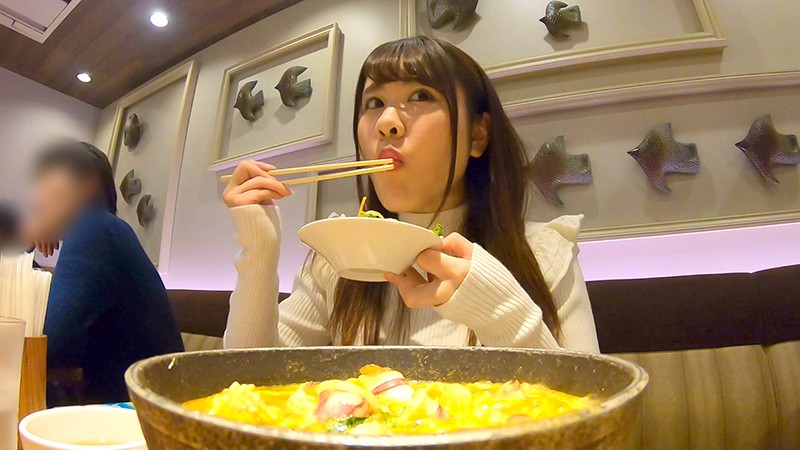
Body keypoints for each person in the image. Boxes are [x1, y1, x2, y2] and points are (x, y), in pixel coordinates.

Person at [222, 37, 599, 352]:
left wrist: (500, 310)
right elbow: (251, 383)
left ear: (477, 135)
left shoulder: (545, 254)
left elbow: (591, 408)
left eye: (421, 95)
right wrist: (258, 248)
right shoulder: (337, 260)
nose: (387, 123)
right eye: (374, 103)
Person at [22, 140, 184, 404]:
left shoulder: (96, 228)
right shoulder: (102, 232)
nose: (35, 196)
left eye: (44, 179)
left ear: (87, 181)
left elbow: (46, 349)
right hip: (131, 412)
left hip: (147, 421)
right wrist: (23, 245)